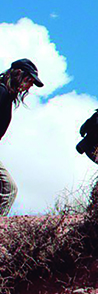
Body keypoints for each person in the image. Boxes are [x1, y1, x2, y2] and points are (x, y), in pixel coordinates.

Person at [0, 59, 44, 216]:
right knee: (8, 188)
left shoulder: (6, 93)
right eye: (29, 80)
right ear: (19, 74)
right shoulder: (2, 91)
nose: (30, 86)